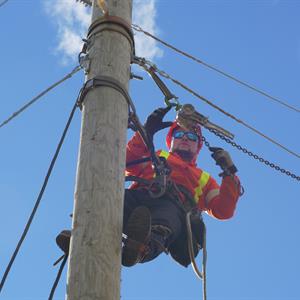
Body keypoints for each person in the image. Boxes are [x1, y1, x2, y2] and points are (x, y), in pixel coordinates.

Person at [122, 106, 242, 267]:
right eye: (179, 135)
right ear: (171, 141)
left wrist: (230, 174)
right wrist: (146, 132)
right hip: (141, 196)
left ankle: (140, 249)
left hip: (173, 207)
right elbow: (126, 162)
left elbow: (223, 210)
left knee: (165, 221)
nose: (185, 138)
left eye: (192, 136)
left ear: (198, 145)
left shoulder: (205, 180)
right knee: (115, 198)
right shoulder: (156, 155)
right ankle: (90, 219)